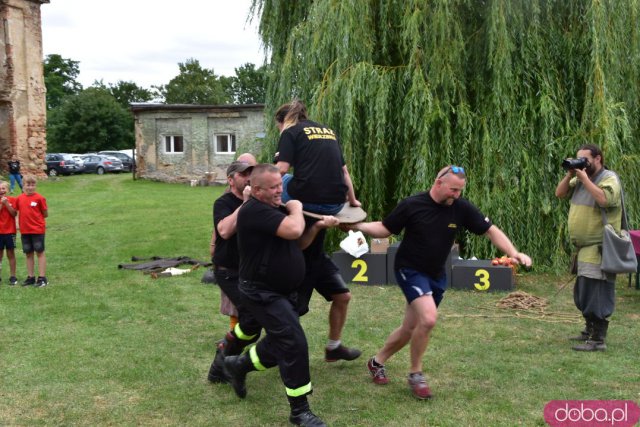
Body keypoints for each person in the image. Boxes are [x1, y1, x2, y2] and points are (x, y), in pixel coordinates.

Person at [345, 165, 532, 399]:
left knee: (410, 327)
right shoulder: (412, 204)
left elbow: (490, 230)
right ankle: (416, 374)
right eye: (453, 189)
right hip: (409, 269)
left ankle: (376, 362)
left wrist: (513, 252)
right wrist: (357, 225)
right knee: (429, 318)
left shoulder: (460, 207)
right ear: (438, 183)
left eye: (460, 190)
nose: (457, 195)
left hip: (436, 274)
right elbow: (384, 229)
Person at [224, 164, 326, 427]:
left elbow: (298, 241)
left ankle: (240, 365)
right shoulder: (254, 211)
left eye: (281, 185)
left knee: (283, 340)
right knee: (294, 342)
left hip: (281, 291)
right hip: (261, 292)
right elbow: (293, 229)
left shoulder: (272, 208)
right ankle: (300, 411)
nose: (280, 191)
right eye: (273, 188)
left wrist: (315, 228)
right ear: (256, 189)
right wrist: (296, 208)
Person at [555, 144, 621, 352]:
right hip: (583, 248)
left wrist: (583, 178)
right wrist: (570, 175)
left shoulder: (609, 178)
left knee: (597, 292)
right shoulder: (582, 179)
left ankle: (598, 339)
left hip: (600, 247)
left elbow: (604, 199)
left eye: (585, 159)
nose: (581, 163)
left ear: (598, 158)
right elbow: (559, 193)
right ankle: (589, 330)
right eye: (578, 159)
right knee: (583, 292)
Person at [207, 156, 263, 384]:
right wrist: (246, 204)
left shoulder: (257, 201)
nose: (249, 177)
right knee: (250, 318)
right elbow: (225, 231)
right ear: (231, 180)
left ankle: (223, 365)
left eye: (251, 172)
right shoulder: (224, 203)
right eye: (243, 174)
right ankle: (226, 362)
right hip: (228, 271)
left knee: (252, 322)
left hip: (250, 270)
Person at [274, 100, 360, 214]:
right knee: (291, 178)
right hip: (335, 205)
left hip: (306, 201)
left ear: (282, 121)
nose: (279, 129)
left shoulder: (290, 131)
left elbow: (281, 169)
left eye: (278, 126)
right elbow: (344, 172)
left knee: (280, 180)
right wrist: (353, 201)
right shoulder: (329, 131)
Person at [297, 214, 362, 362]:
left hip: (318, 258)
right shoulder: (291, 198)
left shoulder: (324, 196)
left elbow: (343, 206)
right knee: (293, 311)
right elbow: (298, 241)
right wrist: (319, 225)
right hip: (295, 259)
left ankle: (334, 347)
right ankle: (283, 352)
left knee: (342, 296)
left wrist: (345, 222)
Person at [15, 175, 48, 287]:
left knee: (40, 252)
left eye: (32, 184)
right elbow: (16, 212)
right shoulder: (19, 198)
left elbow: (45, 214)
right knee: (28, 253)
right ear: (23, 185)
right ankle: (31, 277)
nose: (30, 187)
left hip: (37, 230)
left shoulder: (40, 198)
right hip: (25, 231)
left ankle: (42, 278)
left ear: (35, 185)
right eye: (28, 184)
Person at [0, 181, 18, 285]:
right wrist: (2, 204)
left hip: (10, 231)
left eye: (3, 188)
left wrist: (7, 203)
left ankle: (13, 276)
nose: (1, 190)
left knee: (10, 254)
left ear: (7, 190)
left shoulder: (12, 200)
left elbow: (14, 213)